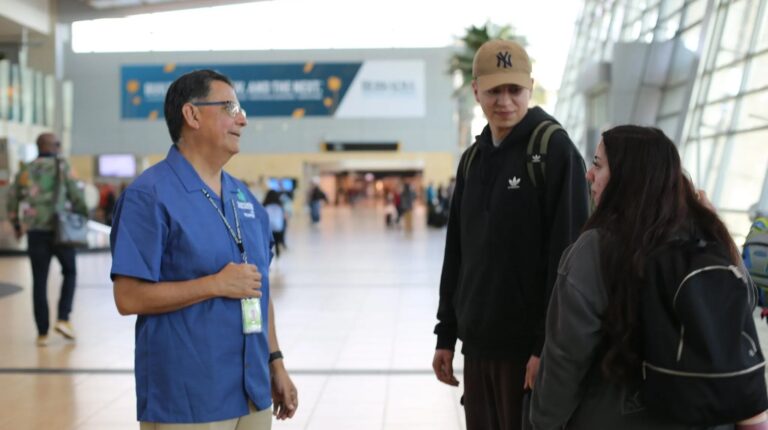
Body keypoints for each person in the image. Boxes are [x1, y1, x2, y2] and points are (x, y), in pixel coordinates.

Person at [530, 125, 768, 429]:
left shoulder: (596, 250)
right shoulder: (702, 240)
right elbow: (744, 301)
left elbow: (565, 359)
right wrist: (716, 229)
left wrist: (542, 423)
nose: (589, 174)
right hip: (705, 417)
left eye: (598, 165)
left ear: (628, 177)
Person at [110, 69, 297, 428]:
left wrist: (276, 362)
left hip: (252, 390)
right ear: (192, 115)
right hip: (189, 397)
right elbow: (128, 297)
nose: (242, 118)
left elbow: (259, 289)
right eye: (229, 107)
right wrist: (214, 285)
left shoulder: (246, 199)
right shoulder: (148, 196)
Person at [432, 39, 589, 430]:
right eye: (494, 91)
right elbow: (458, 254)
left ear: (530, 88)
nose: (504, 101)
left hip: (527, 353)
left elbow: (568, 261)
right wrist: (446, 334)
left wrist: (544, 347)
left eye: (514, 90)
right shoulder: (472, 160)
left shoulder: (554, 150)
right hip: (479, 345)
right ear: (476, 92)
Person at [6, 132, 87, 346]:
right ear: (51, 146)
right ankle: (63, 318)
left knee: (39, 280)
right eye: (58, 144)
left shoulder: (26, 169)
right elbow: (77, 194)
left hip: (35, 232)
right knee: (69, 271)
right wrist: (83, 215)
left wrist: (16, 223)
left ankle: (42, 333)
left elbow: (12, 197)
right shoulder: (63, 166)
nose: (60, 147)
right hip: (61, 232)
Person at [263, 189, 286, 259]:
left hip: (268, 229)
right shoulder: (280, 206)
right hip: (278, 228)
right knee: (277, 241)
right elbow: (284, 217)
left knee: (267, 244)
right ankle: (278, 251)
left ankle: (268, 256)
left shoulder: (264, 206)